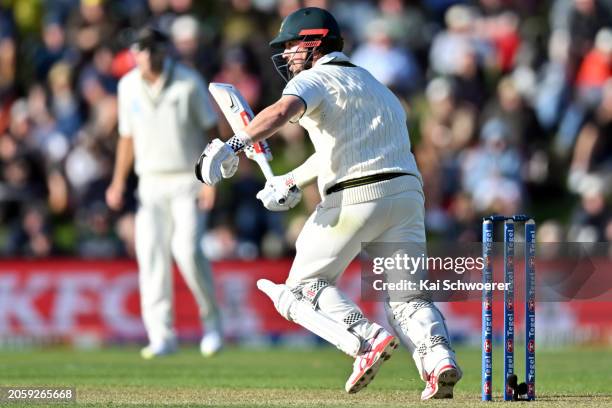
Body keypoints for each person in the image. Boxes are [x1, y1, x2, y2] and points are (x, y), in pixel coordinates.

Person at [195, 7, 461, 399]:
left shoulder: (316, 79)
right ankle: (439, 362)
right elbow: (334, 152)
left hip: (355, 195)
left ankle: (365, 338)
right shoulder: (373, 83)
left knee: (301, 288)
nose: (286, 56)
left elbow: (282, 111)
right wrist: (290, 179)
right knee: (407, 297)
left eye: (291, 47)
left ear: (314, 44)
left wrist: (233, 145)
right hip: (405, 194)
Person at [106, 26, 222, 359]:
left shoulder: (188, 82)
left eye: (147, 49)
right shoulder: (127, 86)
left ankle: (212, 323)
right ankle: (161, 335)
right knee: (151, 256)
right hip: (150, 183)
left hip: (189, 179)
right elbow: (126, 138)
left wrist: (210, 180)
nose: (142, 56)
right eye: (137, 50)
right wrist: (117, 181)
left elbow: (211, 133)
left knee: (186, 251)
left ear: (161, 51)